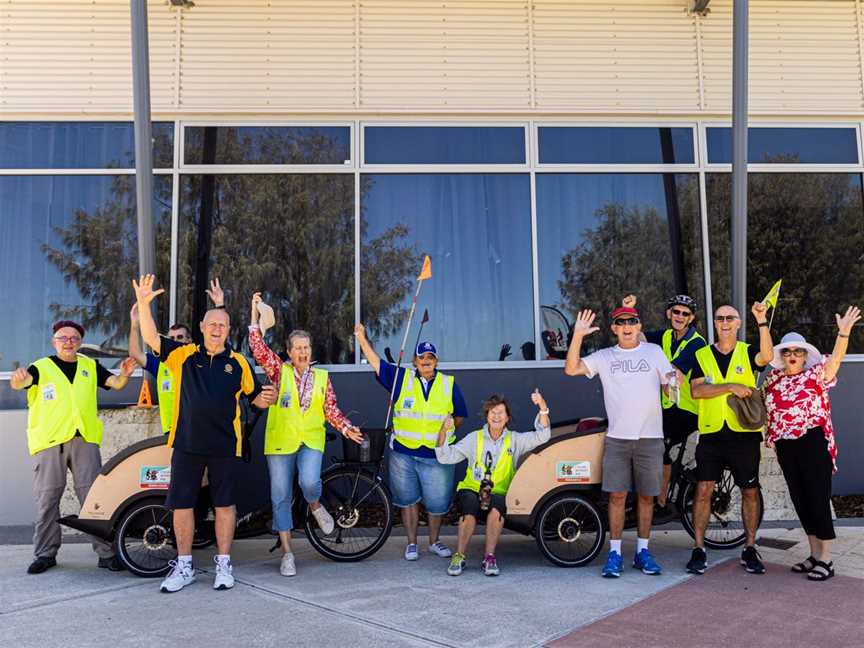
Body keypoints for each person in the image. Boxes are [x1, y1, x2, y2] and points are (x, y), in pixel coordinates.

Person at [133, 274, 278, 593]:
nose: (216, 328)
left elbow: (255, 397)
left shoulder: (239, 363)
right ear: (201, 327)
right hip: (186, 444)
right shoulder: (181, 355)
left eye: (222, 325)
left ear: (228, 330)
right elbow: (150, 338)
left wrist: (265, 399)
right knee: (182, 505)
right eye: (211, 323)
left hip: (225, 445)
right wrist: (144, 305)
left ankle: (224, 564)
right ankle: (184, 565)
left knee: (225, 505)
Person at [248, 292, 363, 576]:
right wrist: (255, 316)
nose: (303, 352)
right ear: (289, 352)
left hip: (311, 439)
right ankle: (288, 553)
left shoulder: (322, 377)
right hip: (280, 442)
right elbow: (258, 348)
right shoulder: (278, 371)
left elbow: (331, 409)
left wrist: (347, 429)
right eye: (298, 348)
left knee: (310, 482)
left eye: (307, 347)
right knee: (280, 496)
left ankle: (314, 505)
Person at [10, 320, 136, 574]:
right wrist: (18, 379)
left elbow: (117, 384)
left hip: (84, 440)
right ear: (54, 341)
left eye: (73, 338)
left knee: (93, 500)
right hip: (50, 442)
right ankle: (45, 554)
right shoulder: (41, 367)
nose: (68, 342)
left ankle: (106, 553)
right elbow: (21, 384)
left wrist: (124, 373)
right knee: (47, 500)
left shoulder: (90, 366)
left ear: (79, 342)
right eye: (62, 337)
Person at [564, 305, 679, 578]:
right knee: (616, 496)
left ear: (639, 326)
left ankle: (642, 552)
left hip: (650, 438)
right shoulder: (605, 356)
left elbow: (671, 386)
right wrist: (578, 335)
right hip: (617, 438)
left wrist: (674, 382)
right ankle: (614, 553)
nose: (627, 326)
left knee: (647, 497)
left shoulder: (653, 352)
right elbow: (571, 369)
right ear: (614, 328)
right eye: (621, 322)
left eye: (632, 321)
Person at [354, 323, 468, 561]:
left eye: (430, 357)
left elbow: (460, 415)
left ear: (436, 361)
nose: (426, 361)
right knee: (407, 500)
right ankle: (412, 543)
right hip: (403, 454)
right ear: (415, 362)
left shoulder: (448, 384)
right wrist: (362, 339)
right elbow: (376, 363)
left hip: (437, 455)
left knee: (437, 504)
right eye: (421, 357)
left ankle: (434, 542)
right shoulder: (401, 378)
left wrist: (450, 427)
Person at [762, 306, 860, 581]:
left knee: (817, 498)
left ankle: (826, 559)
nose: (792, 356)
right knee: (801, 500)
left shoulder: (816, 375)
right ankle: (815, 554)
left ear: (805, 356)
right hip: (786, 445)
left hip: (812, 442)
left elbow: (836, 362)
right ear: (782, 356)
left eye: (798, 352)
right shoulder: (773, 380)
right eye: (788, 352)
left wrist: (843, 333)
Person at [687, 302, 774, 576]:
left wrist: (761, 321)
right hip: (712, 434)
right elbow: (697, 392)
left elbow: (768, 356)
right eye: (720, 318)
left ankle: (749, 548)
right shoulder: (701, 354)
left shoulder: (747, 352)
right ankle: (699, 548)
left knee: (750, 491)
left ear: (738, 323)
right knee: (703, 491)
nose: (724, 322)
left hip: (744, 436)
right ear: (715, 323)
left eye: (730, 318)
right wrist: (729, 387)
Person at [435, 391, 551, 577]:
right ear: (487, 416)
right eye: (492, 413)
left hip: (499, 490)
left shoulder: (515, 439)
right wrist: (443, 431)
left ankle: (489, 557)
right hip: (472, 488)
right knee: (469, 509)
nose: (496, 416)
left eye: (500, 413)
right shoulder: (475, 438)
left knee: (496, 510)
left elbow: (543, 436)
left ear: (507, 418)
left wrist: (542, 407)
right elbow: (445, 456)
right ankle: (459, 556)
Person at [623, 294, 706, 513]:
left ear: (691, 318)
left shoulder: (696, 343)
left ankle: (660, 502)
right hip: (667, 407)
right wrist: (629, 312)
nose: (679, 316)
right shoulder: (667, 336)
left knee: (659, 448)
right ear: (669, 313)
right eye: (676, 311)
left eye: (685, 314)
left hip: (686, 410)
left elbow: (675, 375)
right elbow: (637, 338)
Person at [129, 279, 222, 435]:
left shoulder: (199, 359)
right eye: (171, 339)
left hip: (199, 429)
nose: (175, 342)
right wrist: (134, 324)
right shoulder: (160, 364)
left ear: (189, 341)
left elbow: (220, 344)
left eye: (180, 337)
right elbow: (135, 354)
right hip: (172, 432)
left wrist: (219, 305)